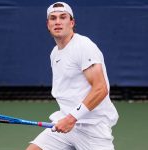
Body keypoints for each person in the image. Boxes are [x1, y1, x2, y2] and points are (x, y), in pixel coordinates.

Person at [26, 2, 119, 150]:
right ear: (48, 24)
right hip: (65, 122)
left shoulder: (83, 46)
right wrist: (68, 119)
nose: (57, 21)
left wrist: (71, 118)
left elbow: (100, 89)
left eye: (63, 17)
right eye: (53, 18)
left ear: (72, 22)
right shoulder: (55, 53)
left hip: (92, 128)